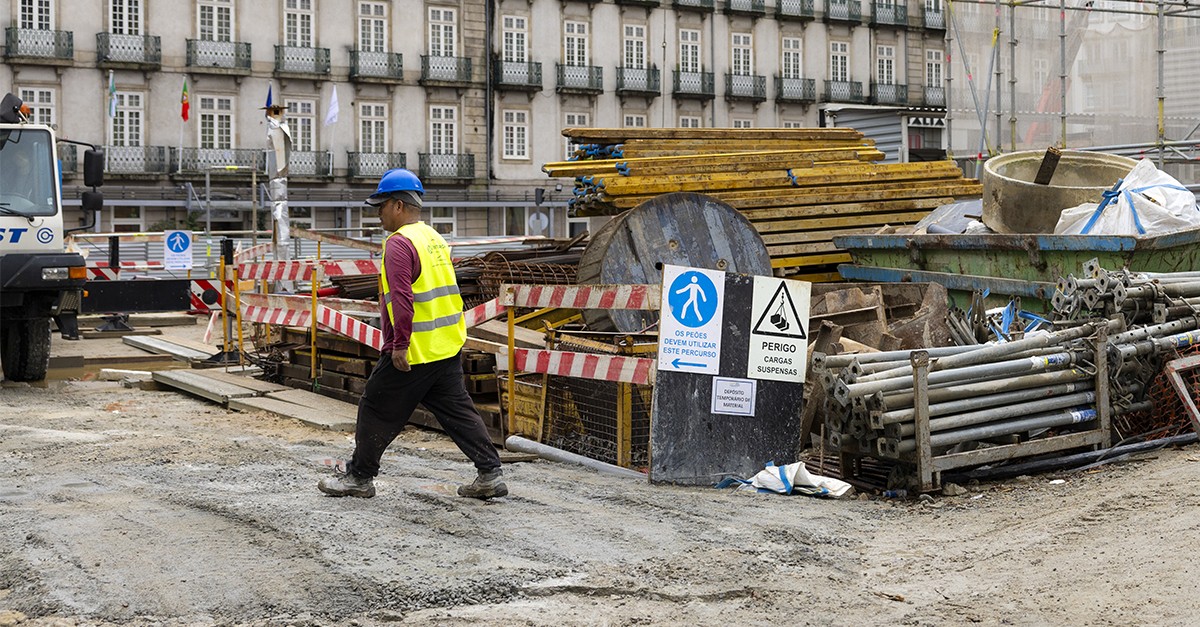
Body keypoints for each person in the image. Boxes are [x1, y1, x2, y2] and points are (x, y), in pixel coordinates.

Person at [318, 169, 506, 499]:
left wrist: (399, 346)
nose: (378, 214)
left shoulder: (399, 245)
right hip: (446, 346)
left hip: (414, 350)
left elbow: (402, 299)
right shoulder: (434, 239)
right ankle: (490, 473)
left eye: (381, 206)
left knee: (375, 407)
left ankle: (359, 478)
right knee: (457, 410)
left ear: (398, 206)